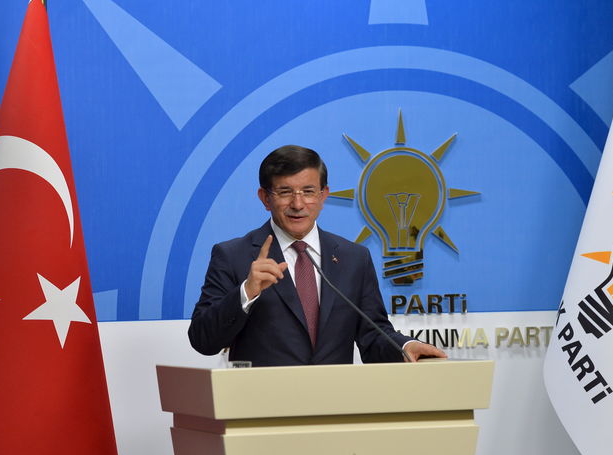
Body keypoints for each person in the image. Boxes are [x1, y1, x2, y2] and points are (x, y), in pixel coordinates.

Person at [188, 145, 447, 366]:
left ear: (324, 195)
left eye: (308, 192)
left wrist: (405, 346)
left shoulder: (353, 258)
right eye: (285, 192)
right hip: (261, 411)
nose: (298, 204)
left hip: (333, 409)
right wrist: (246, 292)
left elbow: (373, 334)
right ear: (265, 198)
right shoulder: (233, 256)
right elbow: (203, 340)